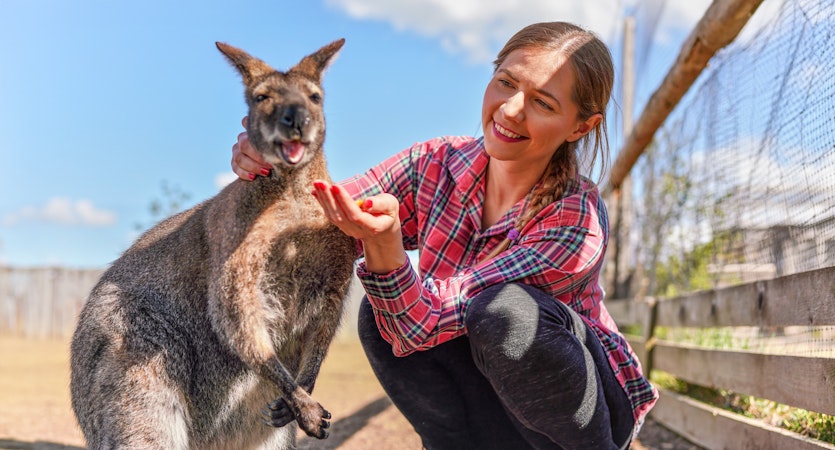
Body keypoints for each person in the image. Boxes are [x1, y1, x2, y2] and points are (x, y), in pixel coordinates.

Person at [231, 21, 657, 450]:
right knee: (380, 319)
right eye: (505, 82)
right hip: (496, 401)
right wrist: (274, 164)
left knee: (503, 313)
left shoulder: (574, 221)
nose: (510, 110)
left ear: (580, 128)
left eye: (543, 103)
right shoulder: (436, 162)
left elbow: (427, 321)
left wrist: (385, 246)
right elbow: (324, 211)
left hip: (581, 416)